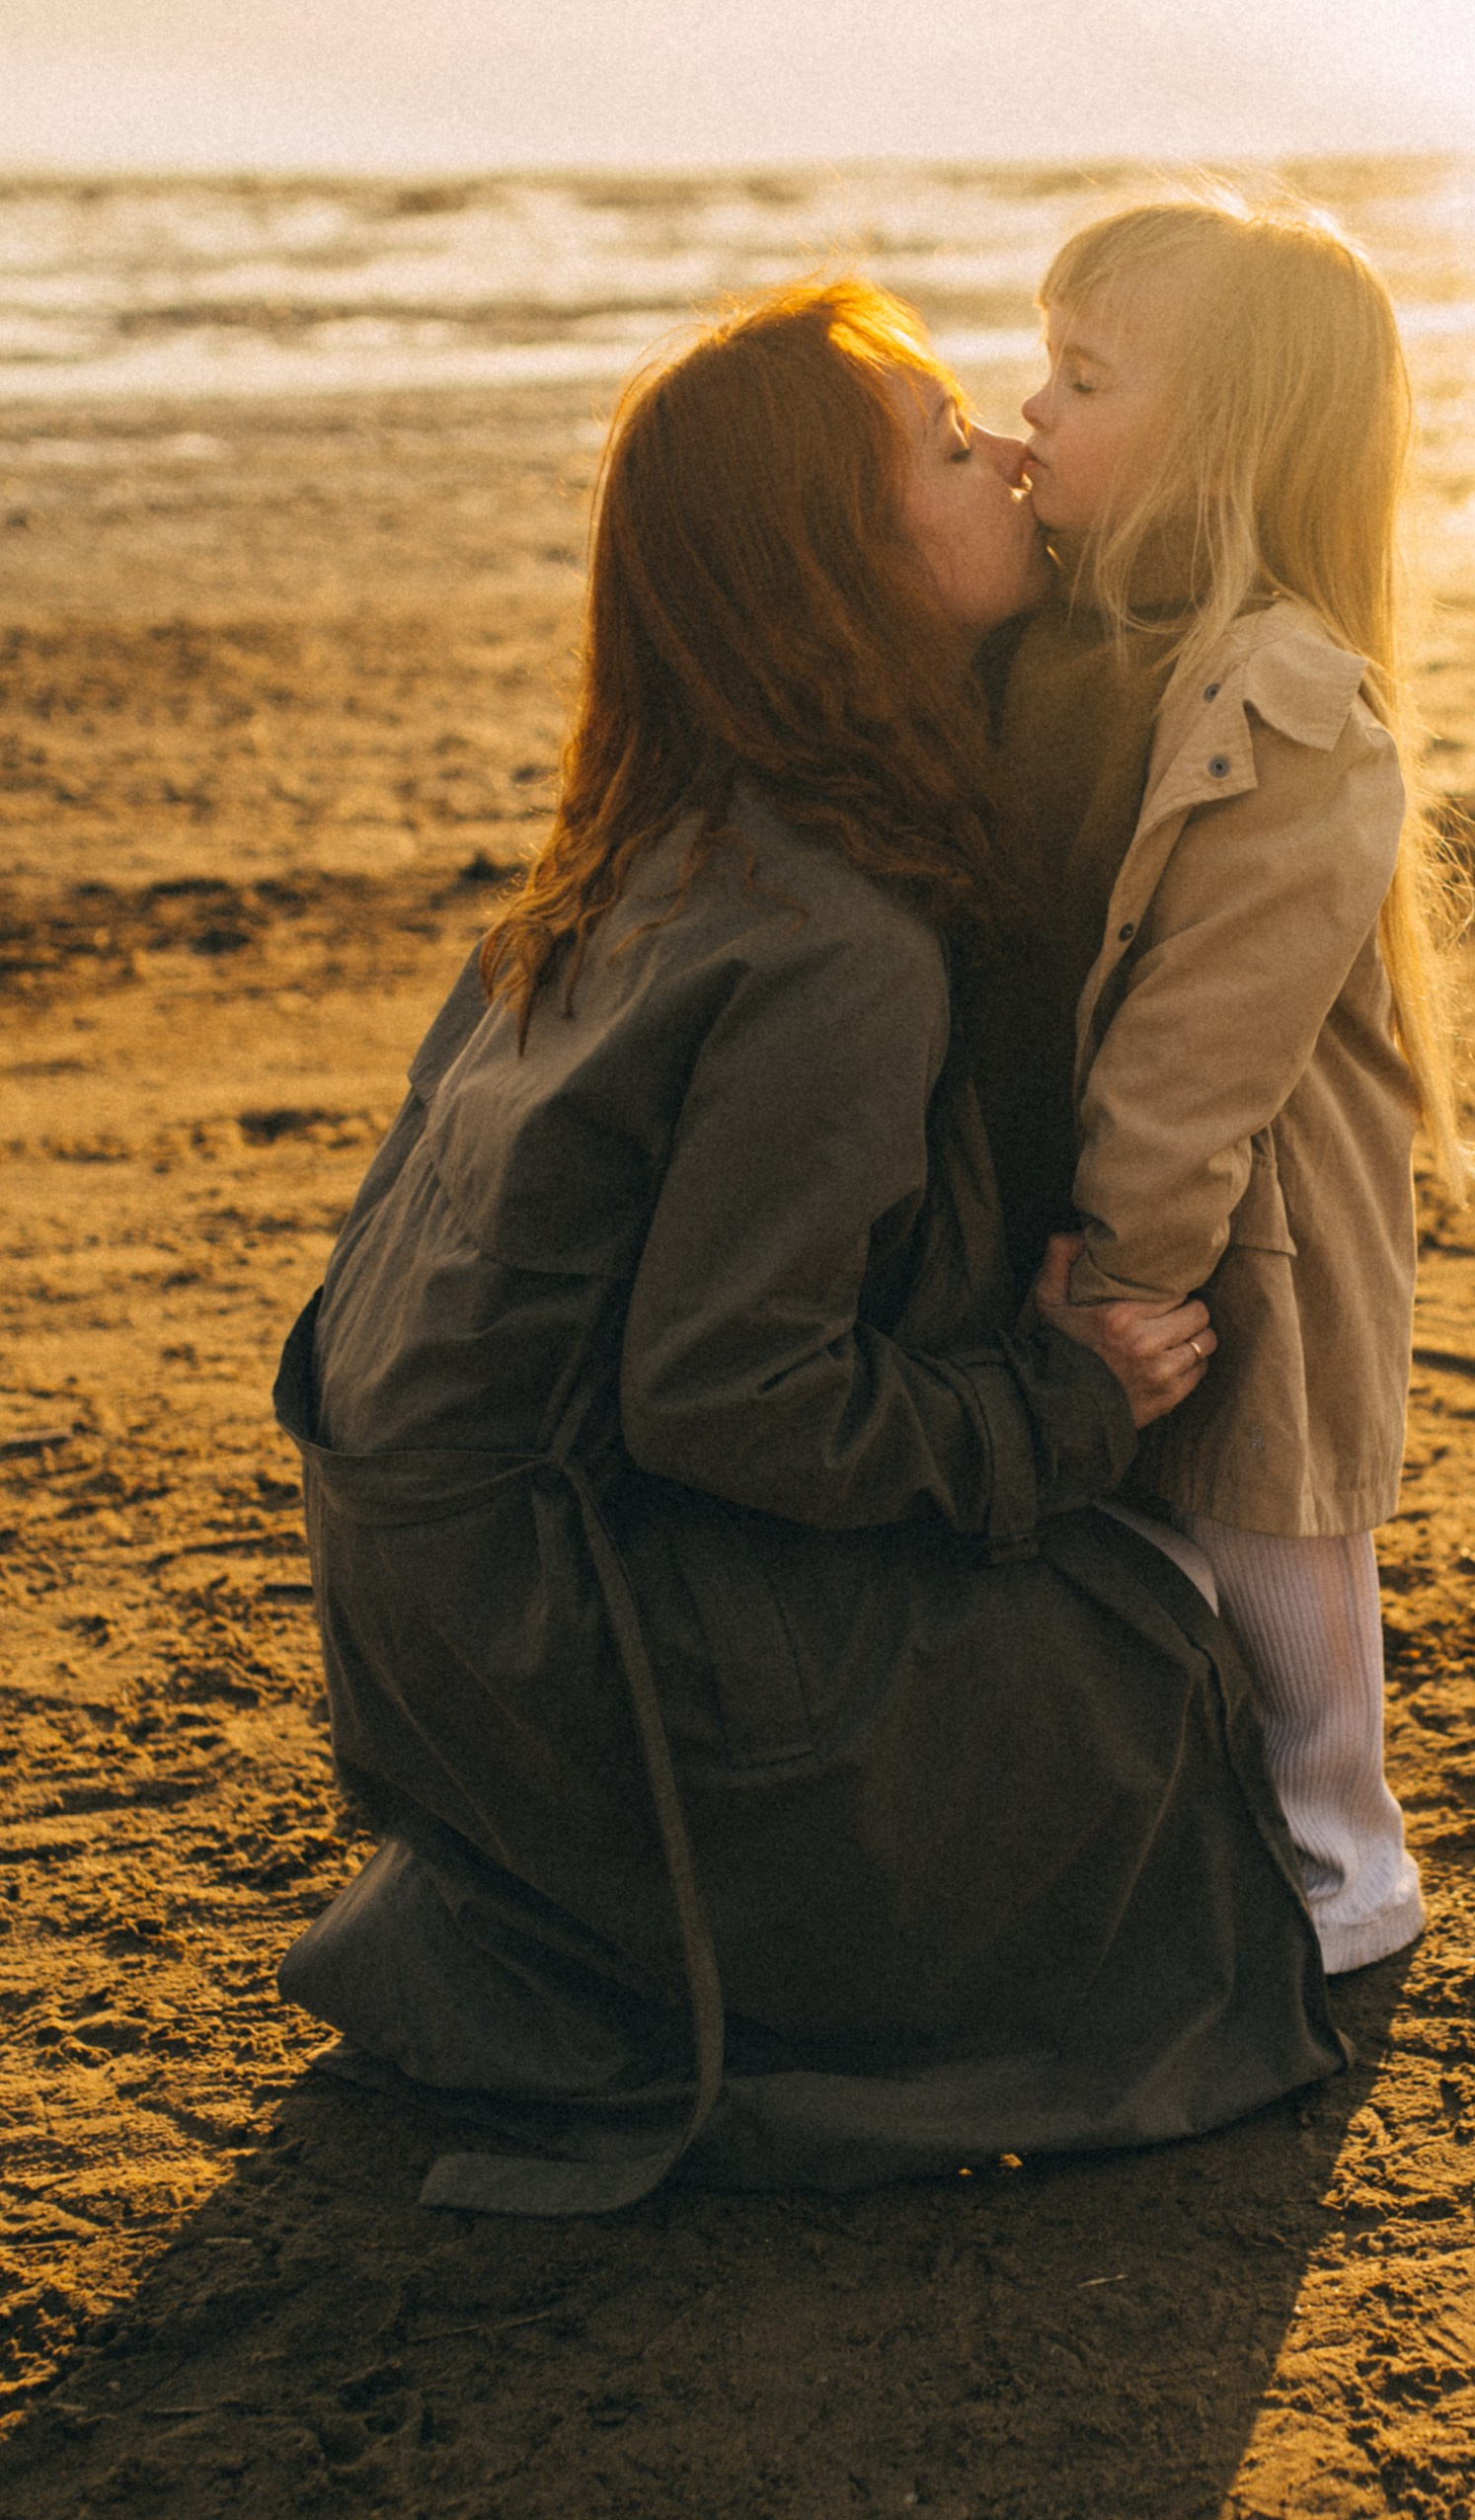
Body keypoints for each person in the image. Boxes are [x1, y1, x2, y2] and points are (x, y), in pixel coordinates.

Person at [272, 276, 1343, 2215]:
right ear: (837, 566)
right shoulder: (837, 935)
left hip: (428, 1640)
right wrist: (1057, 1406)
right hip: (554, 1651)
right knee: (1133, 1671)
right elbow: (720, 1394)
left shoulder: (655, 829)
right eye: (946, 446)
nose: (1009, 447)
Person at [974, 191, 1467, 1979]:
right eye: (1046, 363)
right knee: (1142, 1554)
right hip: (1096, 1208)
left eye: (1085, 376)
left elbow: (1203, 1043)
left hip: (1236, 1228)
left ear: (1229, 442)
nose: (1031, 409)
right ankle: (1195, 1848)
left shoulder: (1286, 700)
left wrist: (1118, 1270)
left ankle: (1344, 1877)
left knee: (1275, 1546)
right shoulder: (1069, 643)